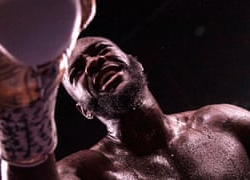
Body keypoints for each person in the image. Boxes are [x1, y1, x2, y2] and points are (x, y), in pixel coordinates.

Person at [57, 36, 250, 179]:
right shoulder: (87, 171)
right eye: (77, 71)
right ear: (84, 110)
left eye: (101, 49)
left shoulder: (220, 121)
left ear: (137, 64)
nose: (93, 62)